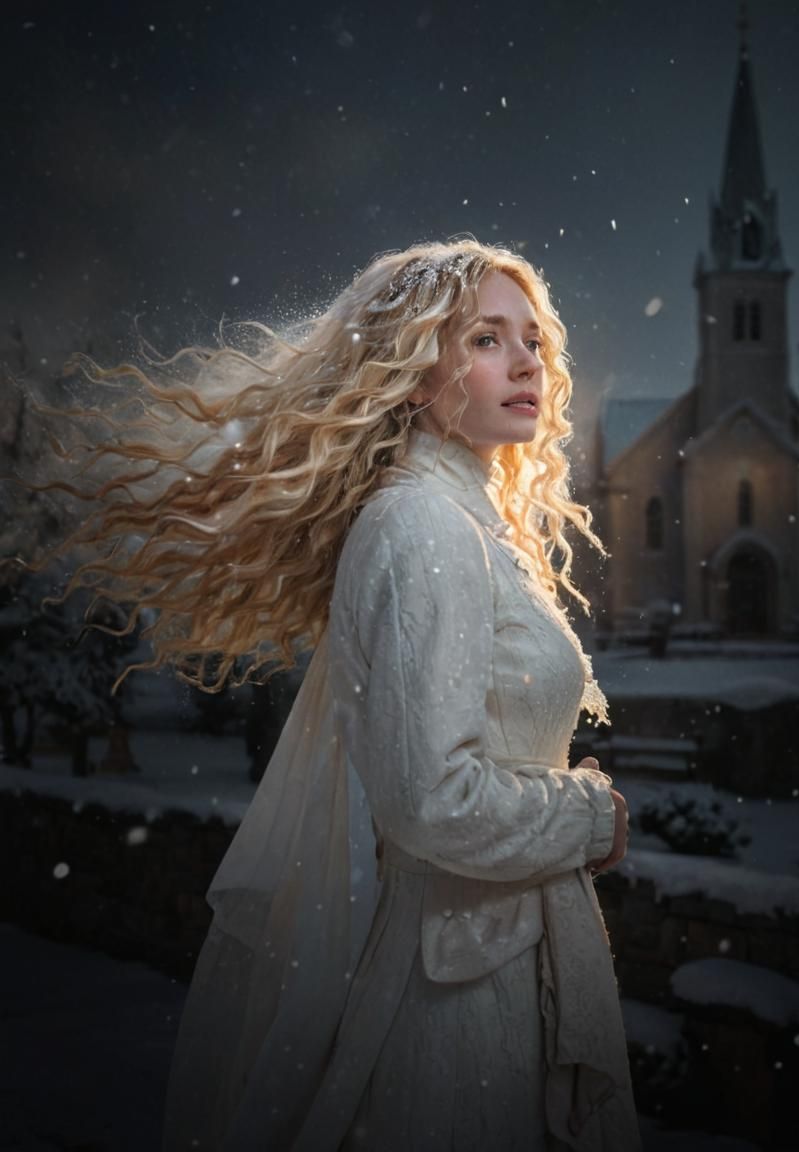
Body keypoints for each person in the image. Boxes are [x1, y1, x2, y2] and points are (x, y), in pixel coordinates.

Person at [27, 238, 641, 1149]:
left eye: (533, 340)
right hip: (457, 1006)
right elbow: (431, 800)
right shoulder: (423, 527)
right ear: (412, 372)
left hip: (494, 968)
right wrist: (588, 817)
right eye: (485, 339)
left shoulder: (461, 520)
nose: (525, 363)